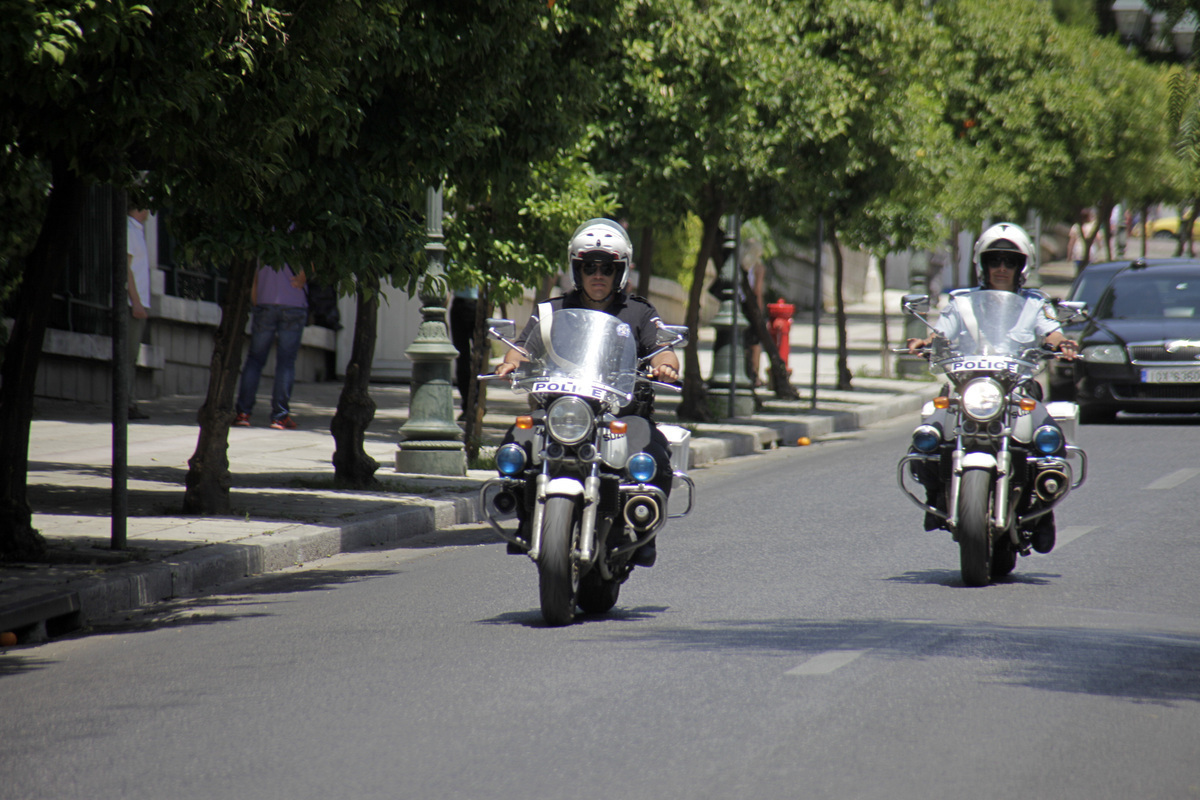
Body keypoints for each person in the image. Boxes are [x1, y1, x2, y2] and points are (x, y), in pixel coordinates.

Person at [494, 219, 680, 567]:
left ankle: (643, 533)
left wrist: (666, 364)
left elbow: (662, 348)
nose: (598, 274)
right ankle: (524, 520)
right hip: (562, 411)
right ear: (576, 270)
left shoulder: (638, 312)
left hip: (622, 414)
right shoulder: (552, 310)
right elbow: (522, 347)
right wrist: (510, 363)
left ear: (620, 271)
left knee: (656, 460)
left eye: (607, 267)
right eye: (589, 266)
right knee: (513, 445)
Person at [906, 222, 1077, 553]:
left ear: (1021, 266)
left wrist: (1061, 342)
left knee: (1048, 439)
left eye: (1009, 261)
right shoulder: (962, 301)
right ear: (982, 265)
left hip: (1017, 388)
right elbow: (942, 333)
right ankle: (935, 495)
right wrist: (926, 341)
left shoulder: (1035, 303)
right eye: (994, 260)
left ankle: (1043, 511)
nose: (1001, 268)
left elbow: (1051, 331)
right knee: (927, 436)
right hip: (969, 387)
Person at [234, 262, 308, 430]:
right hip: (293, 302)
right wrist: (302, 278)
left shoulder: (262, 234)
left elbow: (254, 273)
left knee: (254, 360)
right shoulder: (302, 235)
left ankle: (243, 413)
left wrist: (256, 301)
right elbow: (314, 261)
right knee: (286, 362)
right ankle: (279, 416)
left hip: (264, 301)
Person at [126, 208, 152, 420]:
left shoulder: (137, 230)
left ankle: (129, 402)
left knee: (132, 355)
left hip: (139, 301)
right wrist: (135, 301)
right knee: (128, 355)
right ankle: (126, 403)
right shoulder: (128, 229)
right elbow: (126, 269)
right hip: (132, 303)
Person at [449, 287, 479, 414]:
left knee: (479, 359)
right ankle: (467, 404)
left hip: (479, 305)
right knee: (462, 358)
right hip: (459, 303)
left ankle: (477, 403)